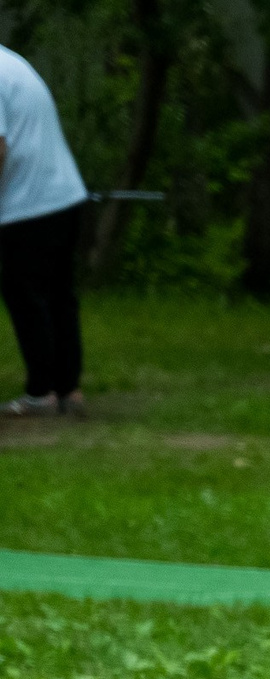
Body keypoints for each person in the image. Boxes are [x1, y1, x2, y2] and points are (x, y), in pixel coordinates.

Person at [0, 41, 89, 418]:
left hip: (28, 203)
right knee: (57, 297)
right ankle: (67, 387)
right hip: (64, 194)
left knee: (27, 297)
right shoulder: (11, 63)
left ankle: (41, 391)